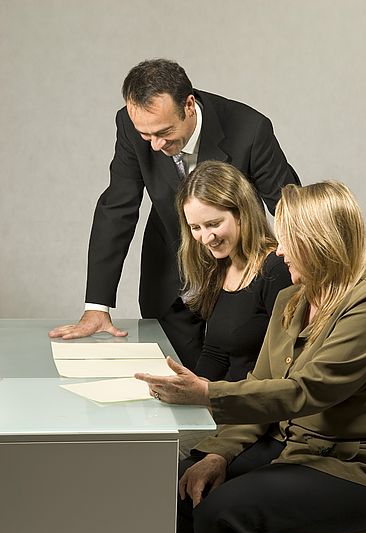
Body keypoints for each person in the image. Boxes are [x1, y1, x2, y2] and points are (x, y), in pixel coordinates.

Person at [135, 180, 366, 533]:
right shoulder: (292, 300)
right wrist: (218, 453)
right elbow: (260, 387)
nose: (279, 251)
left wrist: (207, 393)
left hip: (359, 472)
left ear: (321, 244)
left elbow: (302, 393)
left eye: (290, 242)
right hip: (297, 451)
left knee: (225, 515)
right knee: (184, 487)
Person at [48, 58, 299, 369]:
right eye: (146, 135)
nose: (155, 145)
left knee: (236, 386)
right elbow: (117, 208)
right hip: (172, 277)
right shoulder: (131, 125)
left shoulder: (250, 128)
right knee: (180, 387)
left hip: (241, 280)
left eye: (164, 132)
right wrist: (97, 306)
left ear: (189, 105)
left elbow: (292, 209)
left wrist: (317, 277)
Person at [175, 160, 292, 457]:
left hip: (259, 420)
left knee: (170, 466)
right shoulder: (219, 267)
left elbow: (283, 371)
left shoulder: (276, 270)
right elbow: (215, 353)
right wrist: (188, 390)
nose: (205, 238)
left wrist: (210, 398)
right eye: (195, 228)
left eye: (214, 224)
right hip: (225, 409)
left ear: (242, 214)